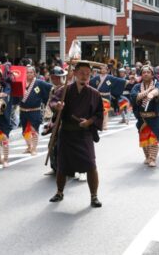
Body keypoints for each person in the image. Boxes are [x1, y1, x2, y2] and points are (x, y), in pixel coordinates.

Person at [49, 62, 103, 207]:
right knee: (62, 165)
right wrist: (57, 106)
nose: (84, 76)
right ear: (74, 73)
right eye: (81, 73)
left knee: (91, 165)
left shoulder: (94, 94)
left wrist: (89, 121)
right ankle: (59, 192)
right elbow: (53, 102)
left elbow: (99, 114)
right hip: (67, 133)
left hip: (84, 134)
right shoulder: (64, 90)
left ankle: (94, 196)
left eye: (87, 73)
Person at [131, 65, 159, 167]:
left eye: (148, 72)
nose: (145, 74)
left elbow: (158, 90)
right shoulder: (137, 86)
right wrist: (147, 92)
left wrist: (152, 93)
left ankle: (153, 158)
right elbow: (135, 96)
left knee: (154, 138)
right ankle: (147, 156)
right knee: (144, 138)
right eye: (144, 72)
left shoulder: (157, 84)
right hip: (142, 117)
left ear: (152, 74)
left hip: (155, 116)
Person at [19, 65, 52, 155]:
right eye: (27, 72)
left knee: (34, 130)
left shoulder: (39, 83)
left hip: (35, 110)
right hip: (23, 110)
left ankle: (34, 148)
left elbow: (50, 87)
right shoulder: (21, 82)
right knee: (25, 131)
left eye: (31, 72)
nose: (29, 74)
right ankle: (29, 146)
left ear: (34, 74)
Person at [43, 66, 68, 175]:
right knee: (52, 145)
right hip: (56, 120)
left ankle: (68, 169)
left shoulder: (67, 89)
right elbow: (50, 104)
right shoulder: (52, 89)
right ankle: (55, 168)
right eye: (53, 78)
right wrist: (50, 121)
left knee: (64, 146)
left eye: (57, 78)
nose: (55, 80)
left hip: (66, 119)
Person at [90, 64, 127, 130]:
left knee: (105, 111)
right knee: (98, 111)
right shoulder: (97, 77)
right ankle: (99, 124)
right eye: (102, 69)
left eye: (104, 69)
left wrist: (126, 81)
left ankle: (105, 125)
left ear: (107, 70)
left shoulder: (110, 77)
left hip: (106, 96)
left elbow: (118, 80)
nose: (103, 70)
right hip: (99, 96)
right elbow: (90, 82)